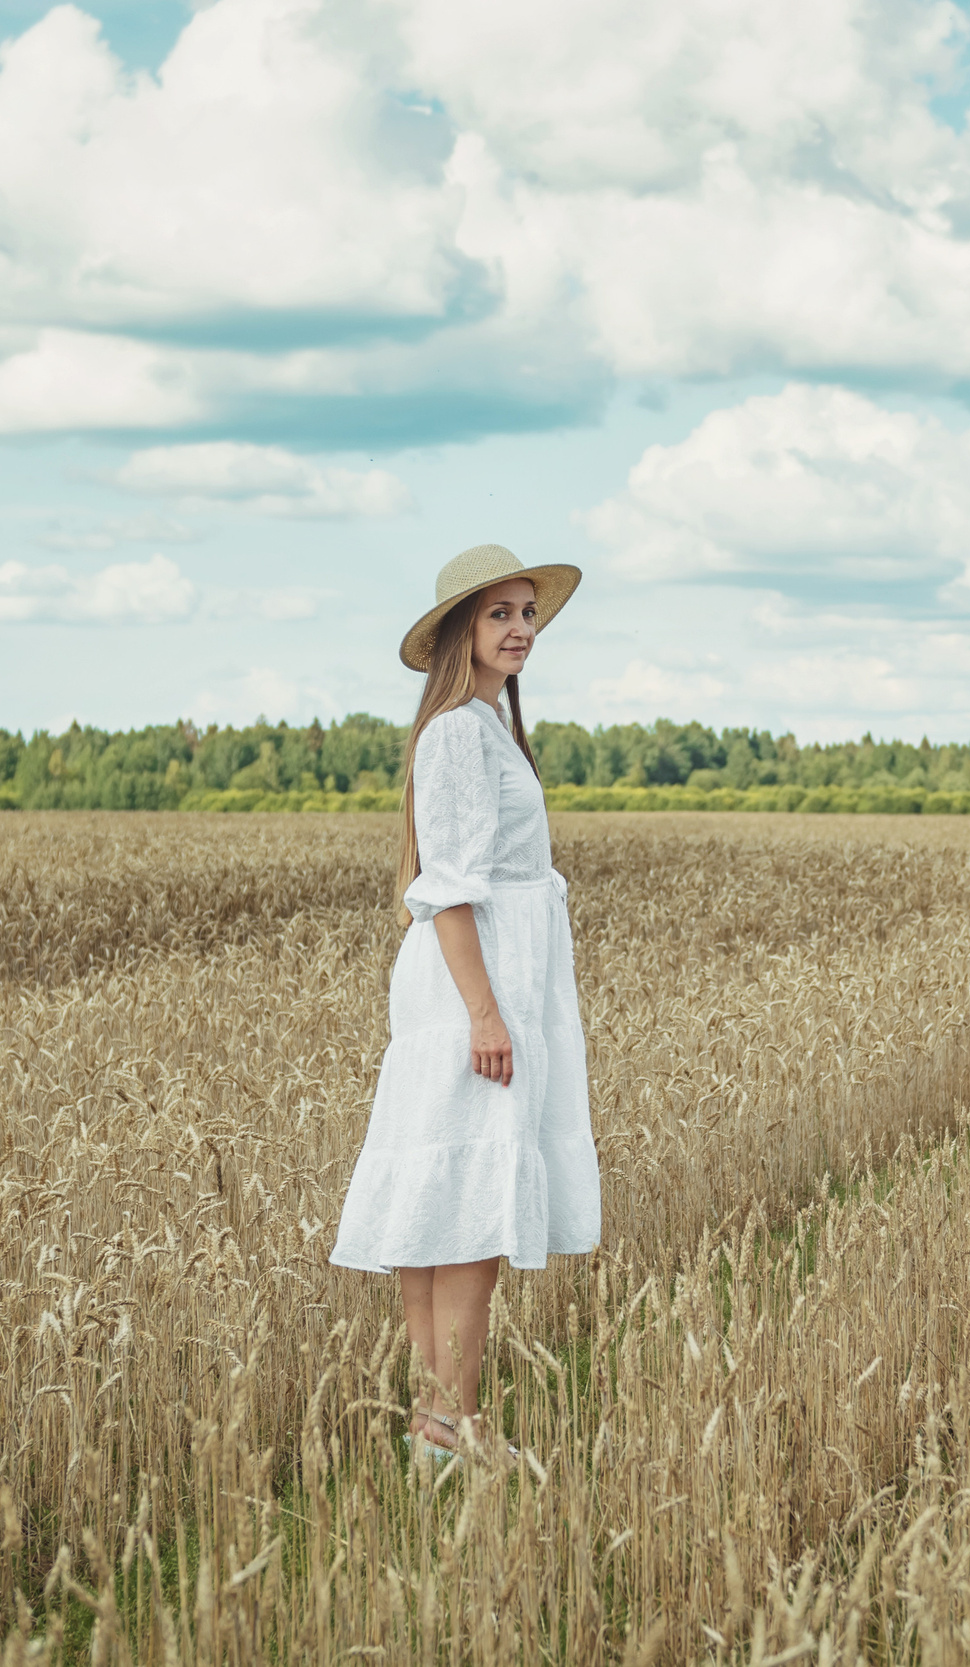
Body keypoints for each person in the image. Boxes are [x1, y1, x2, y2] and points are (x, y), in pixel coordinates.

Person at [330, 544, 601, 1461]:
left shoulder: (485, 724)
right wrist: (486, 1011)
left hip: (488, 976)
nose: (521, 628)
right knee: (469, 1206)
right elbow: (447, 888)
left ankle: (437, 1431)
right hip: (471, 983)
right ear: (462, 632)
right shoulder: (456, 730)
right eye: (501, 615)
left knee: (447, 1198)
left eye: (528, 612)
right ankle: (451, 1426)